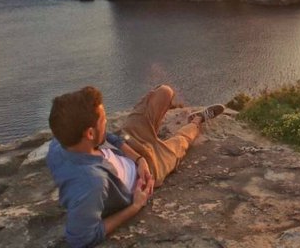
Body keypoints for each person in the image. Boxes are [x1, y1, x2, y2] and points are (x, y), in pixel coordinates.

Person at [45, 85, 224, 247]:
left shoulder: (61, 143)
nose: (106, 122)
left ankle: (155, 134)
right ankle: (197, 120)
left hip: (131, 142)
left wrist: (139, 159)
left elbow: (108, 136)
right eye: (103, 119)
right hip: (152, 169)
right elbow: (81, 239)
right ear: (90, 133)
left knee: (165, 92)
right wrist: (135, 206)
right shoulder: (92, 183)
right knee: (181, 142)